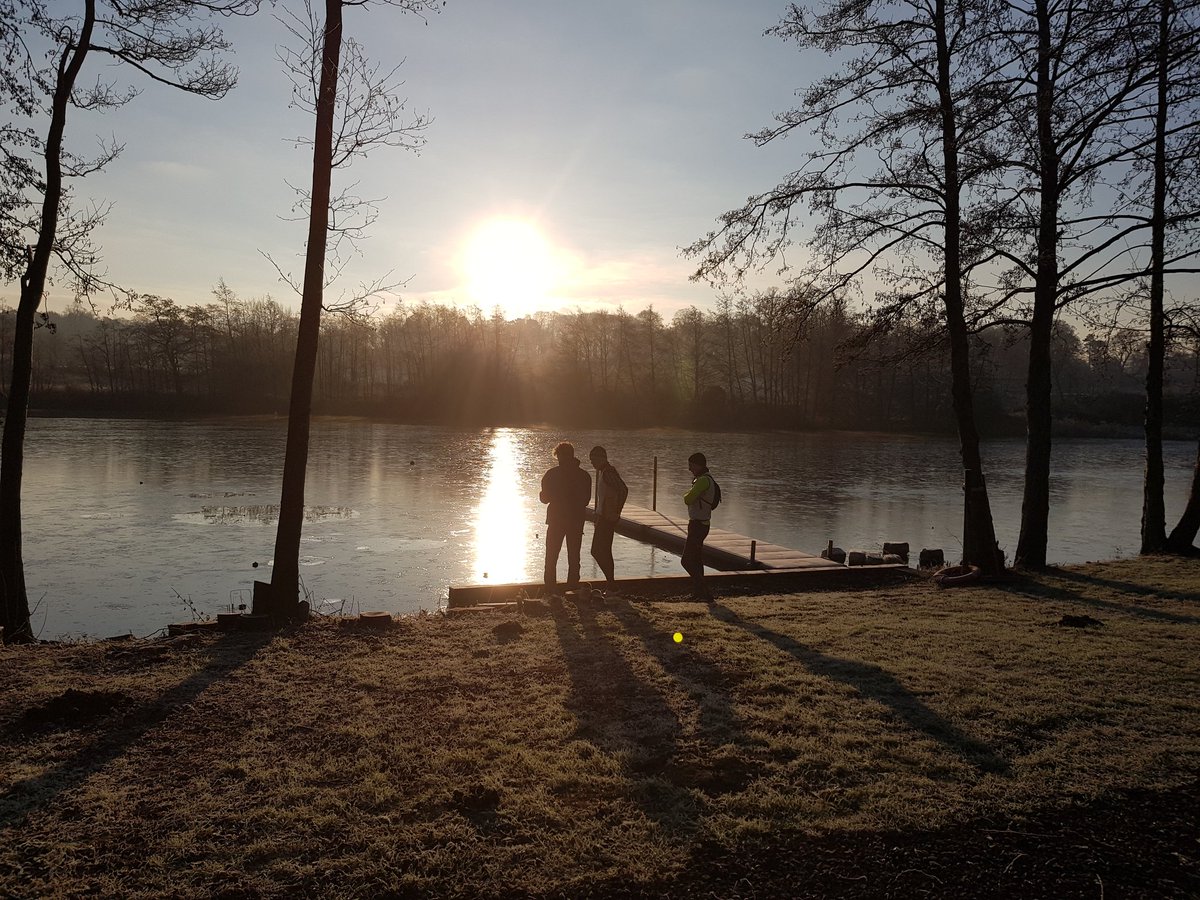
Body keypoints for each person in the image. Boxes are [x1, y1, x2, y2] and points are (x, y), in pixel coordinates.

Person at [539, 441, 592, 594]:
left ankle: (550, 589)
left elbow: (545, 499)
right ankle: (572, 587)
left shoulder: (551, 474)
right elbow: (586, 500)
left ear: (560, 456)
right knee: (574, 555)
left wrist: (543, 495)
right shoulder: (584, 476)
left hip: (556, 520)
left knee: (551, 555)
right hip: (576, 520)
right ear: (572, 454)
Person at [588, 445, 628, 589]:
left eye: (593, 460)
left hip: (607, 519)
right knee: (604, 551)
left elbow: (623, 490)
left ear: (601, 459)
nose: (591, 463)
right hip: (603, 517)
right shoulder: (605, 472)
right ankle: (611, 584)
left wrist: (617, 511)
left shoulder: (608, 473)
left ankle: (611, 583)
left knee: (597, 551)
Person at [682, 452, 716, 600]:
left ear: (698, 465)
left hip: (698, 526)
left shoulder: (702, 480)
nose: (690, 469)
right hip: (701, 524)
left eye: (691, 465)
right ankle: (699, 593)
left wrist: (687, 494)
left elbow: (688, 499)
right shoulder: (704, 479)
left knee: (686, 561)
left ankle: (705, 591)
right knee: (696, 559)